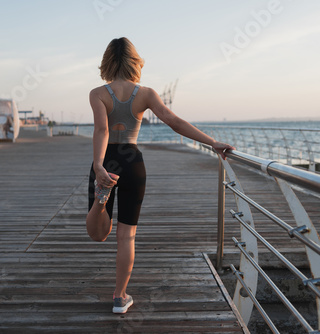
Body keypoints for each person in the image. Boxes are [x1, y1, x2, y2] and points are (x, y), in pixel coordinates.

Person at [86, 37, 235, 314]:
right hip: (133, 164)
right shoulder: (145, 93)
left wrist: (98, 166)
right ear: (134, 61)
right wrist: (212, 142)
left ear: (107, 61)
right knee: (126, 237)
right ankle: (120, 297)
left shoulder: (98, 93)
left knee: (99, 234)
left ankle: (101, 199)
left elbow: (102, 131)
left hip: (107, 161)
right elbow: (174, 122)